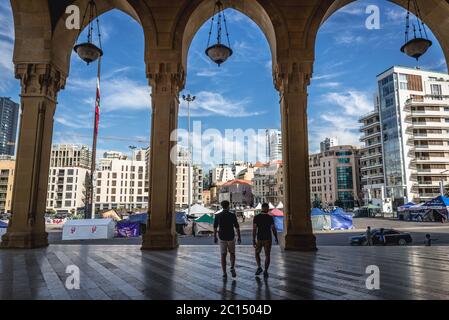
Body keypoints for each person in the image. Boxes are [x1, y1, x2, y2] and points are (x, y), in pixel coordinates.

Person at [214, 200, 241, 278]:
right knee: (232, 253)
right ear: (228, 206)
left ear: (222, 206)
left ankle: (224, 273)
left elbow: (215, 227)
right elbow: (237, 227)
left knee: (223, 255)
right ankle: (232, 267)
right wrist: (239, 236)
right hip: (231, 236)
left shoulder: (218, 215)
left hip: (222, 237)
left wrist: (215, 236)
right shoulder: (232, 215)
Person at [253, 203, 279, 278]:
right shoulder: (270, 217)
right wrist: (276, 237)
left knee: (257, 253)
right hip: (268, 238)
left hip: (259, 238)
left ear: (261, 208)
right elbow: (273, 228)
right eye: (268, 208)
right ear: (266, 208)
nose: (268, 209)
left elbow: (254, 229)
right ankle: (265, 271)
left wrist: (253, 239)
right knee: (267, 255)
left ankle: (259, 267)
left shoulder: (256, 217)